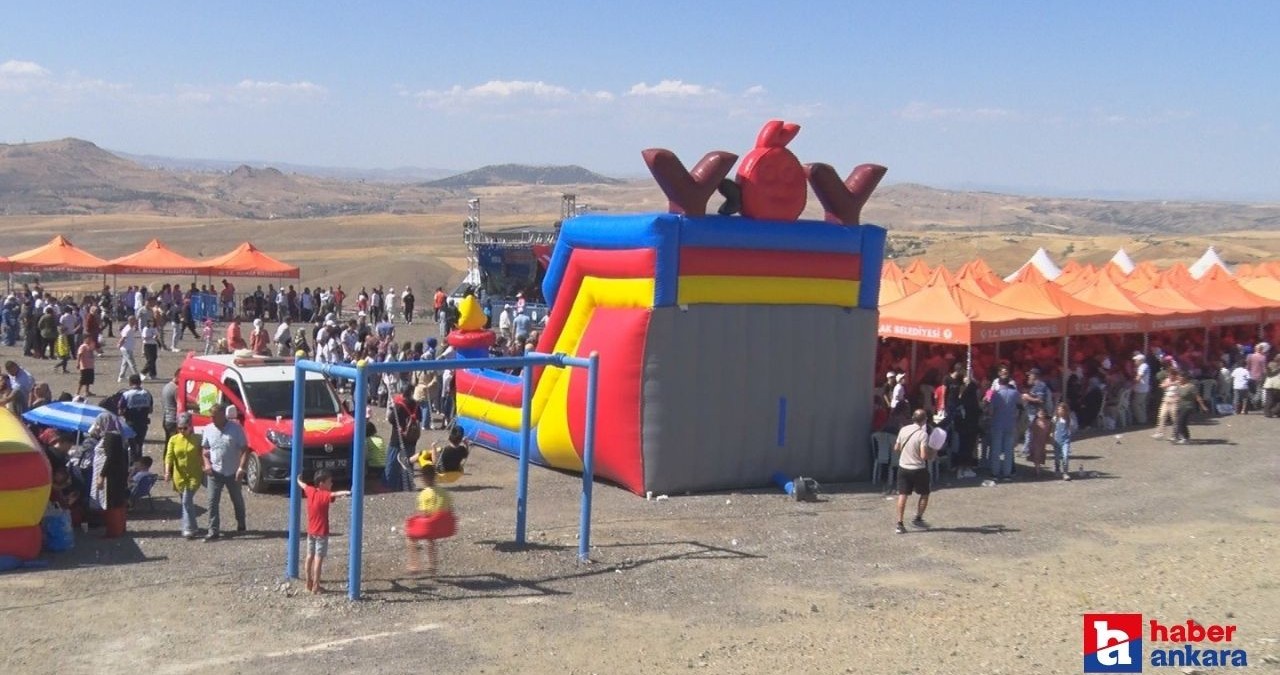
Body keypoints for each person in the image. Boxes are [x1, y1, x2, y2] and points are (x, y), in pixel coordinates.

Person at [297, 469, 351, 593]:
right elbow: (334, 494)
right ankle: (316, 585)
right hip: (321, 532)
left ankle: (308, 582)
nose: (331, 484)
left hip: (311, 531)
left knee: (309, 556)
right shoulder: (324, 495)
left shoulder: (310, 491)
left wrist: (298, 480)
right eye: (329, 482)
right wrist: (348, 492)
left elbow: (303, 485)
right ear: (322, 484)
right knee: (318, 558)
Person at [201, 402, 249, 541]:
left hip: (233, 471)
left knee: (237, 499)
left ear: (223, 415)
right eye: (211, 416)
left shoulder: (235, 429)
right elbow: (204, 449)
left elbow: (245, 449)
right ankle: (213, 530)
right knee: (212, 501)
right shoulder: (209, 429)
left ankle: (241, 522)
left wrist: (242, 468)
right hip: (215, 471)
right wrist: (207, 464)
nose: (212, 419)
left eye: (214, 416)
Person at [404, 466, 455, 575]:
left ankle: (414, 565)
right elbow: (450, 509)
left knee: (410, 538)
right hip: (442, 527)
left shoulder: (424, 494)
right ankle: (432, 564)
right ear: (435, 476)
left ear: (423, 478)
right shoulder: (444, 492)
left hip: (429, 527)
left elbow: (423, 514)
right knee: (430, 540)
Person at [893, 409, 934, 534]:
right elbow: (923, 455)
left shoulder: (903, 429)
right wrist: (932, 452)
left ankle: (899, 523)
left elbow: (896, 448)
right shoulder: (923, 434)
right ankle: (918, 518)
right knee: (924, 493)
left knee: (902, 495)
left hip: (903, 466)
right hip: (918, 468)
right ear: (924, 420)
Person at [164, 412, 204, 538]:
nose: (182, 430)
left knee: (186, 500)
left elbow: (204, 454)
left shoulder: (198, 439)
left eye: (184, 428)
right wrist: (167, 471)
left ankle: (187, 529)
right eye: (179, 428)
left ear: (190, 426)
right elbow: (169, 457)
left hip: (194, 474)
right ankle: (194, 526)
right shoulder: (174, 440)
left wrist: (206, 466)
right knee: (186, 502)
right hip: (179, 476)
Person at [987, 368, 1021, 480]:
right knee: (1008, 450)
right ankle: (1007, 473)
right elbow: (1019, 407)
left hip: (997, 423)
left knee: (996, 450)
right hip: (1010, 423)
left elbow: (991, 411)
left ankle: (995, 473)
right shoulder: (1015, 393)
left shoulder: (995, 394)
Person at [118, 374, 153, 464]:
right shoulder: (147, 393)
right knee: (139, 445)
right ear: (140, 382)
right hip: (143, 423)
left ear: (130, 383)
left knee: (131, 446)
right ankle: (139, 465)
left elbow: (120, 411)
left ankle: (131, 466)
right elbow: (150, 410)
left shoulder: (126, 395)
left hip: (131, 423)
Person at [1173, 371, 1208, 445]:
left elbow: (1197, 397)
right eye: (1178, 377)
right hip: (1180, 406)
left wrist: (1203, 406)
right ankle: (1185, 437)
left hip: (1188, 406)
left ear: (1185, 378)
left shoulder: (1191, 387)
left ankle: (1184, 438)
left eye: (1180, 377)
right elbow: (1177, 395)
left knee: (1181, 422)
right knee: (1181, 422)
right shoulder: (1178, 386)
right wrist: (1175, 400)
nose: (1178, 378)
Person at [1052, 401, 1078, 480]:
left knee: (1065, 456)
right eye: (1059, 410)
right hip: (1057, 440)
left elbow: (1073, 428)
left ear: (1065, 411)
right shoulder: (1055, 419)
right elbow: (1052, 428)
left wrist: (1069, 434)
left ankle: (1065, 472)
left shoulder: (1069, 420)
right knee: (1057, 457)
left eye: (1062, 410)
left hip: (1065, 441)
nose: (1060, 411)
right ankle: (1057, 469)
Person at [1026, 409, 1051, 476]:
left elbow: (1048, 432)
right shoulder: (1035, 422)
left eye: (1043, 413)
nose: (1041, 415)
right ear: (1037, 414)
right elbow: (1031, 431)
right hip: (1036, 441)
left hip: (1043, 442)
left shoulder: (1048, 422)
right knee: (1036, 454)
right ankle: (1037, 469)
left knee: (1041, 454)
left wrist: (1048, 438)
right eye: (1040, 413)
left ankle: (1038, 466)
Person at [160, 369, 180, 443]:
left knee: (168, 444)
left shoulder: (167, 386)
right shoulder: (176, 389)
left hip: (166, 419)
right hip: (173, 420)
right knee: (173, 444)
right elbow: (180, 404)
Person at [1131, 354, 1151, 424]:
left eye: (1136, 360)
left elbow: (1139, 378)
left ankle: (1141, 420)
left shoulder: (1142, 367)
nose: (1135, 362)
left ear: (1140, 360)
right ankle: (1144, 419)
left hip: (1141, 389)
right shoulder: (1144, 366)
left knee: (1136, 404)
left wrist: (1132, 383)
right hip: (1144, 388)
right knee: (1142, 405)